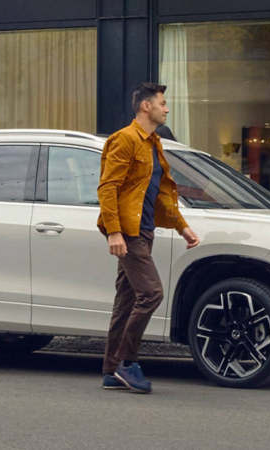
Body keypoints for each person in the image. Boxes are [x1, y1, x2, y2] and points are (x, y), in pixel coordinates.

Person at [96, 83, 199, 393]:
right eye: (162, 103)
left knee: (127, 300)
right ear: (146, 107)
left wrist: (182, 226)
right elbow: (108, 188)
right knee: (151, 294)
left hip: (144, 229)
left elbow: (162, 193)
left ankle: (112, 370)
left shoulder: (153, 143)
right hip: (129, 232)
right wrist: (114, 231)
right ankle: (127, 363)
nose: (166, 109)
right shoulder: (125, 140)